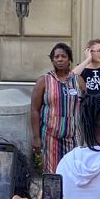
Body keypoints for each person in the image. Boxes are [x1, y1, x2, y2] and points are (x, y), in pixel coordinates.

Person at [31, 42, 81, 174]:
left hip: (73, 137)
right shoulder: (44, 81)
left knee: (72, 173)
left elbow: (87, 107)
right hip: (50, 137)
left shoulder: (78, 81)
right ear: (52, 60)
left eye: (63, 56)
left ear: (69, 59)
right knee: (51, 175)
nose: (60, 59)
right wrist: (36, 138)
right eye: (56, 57)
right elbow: (34, 110)